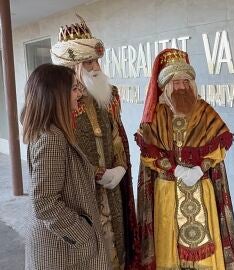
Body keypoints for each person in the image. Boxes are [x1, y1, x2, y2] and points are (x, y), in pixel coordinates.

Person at [135, 48, 234, 270]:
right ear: (165, 85)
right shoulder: (155, 116)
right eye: (176, 82)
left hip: (201, 188)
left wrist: (199, 169)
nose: (182, 87)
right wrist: (175, 170)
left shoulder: (205, 111)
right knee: (169, 248)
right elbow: (148, 154)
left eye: (186, 81)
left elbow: (221, 143)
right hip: (167, 192)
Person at [50, 15, 139, 269]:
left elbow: (117, 136)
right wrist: (95, 173)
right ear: (73, 68)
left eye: (97, 60)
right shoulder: (59, 106)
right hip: (80, 195)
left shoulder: (109, 96)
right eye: (88, 62)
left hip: (111, 190)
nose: (96, 67)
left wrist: (121, 167)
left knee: (116, 250)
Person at [22, 63, 110, 269]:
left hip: (63, 245)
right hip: (62, 251)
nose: (79, 94)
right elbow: (44, 202)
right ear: (57, 95)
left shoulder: (52, 131)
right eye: (73, 88)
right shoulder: (52, 138)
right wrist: (84, 233)